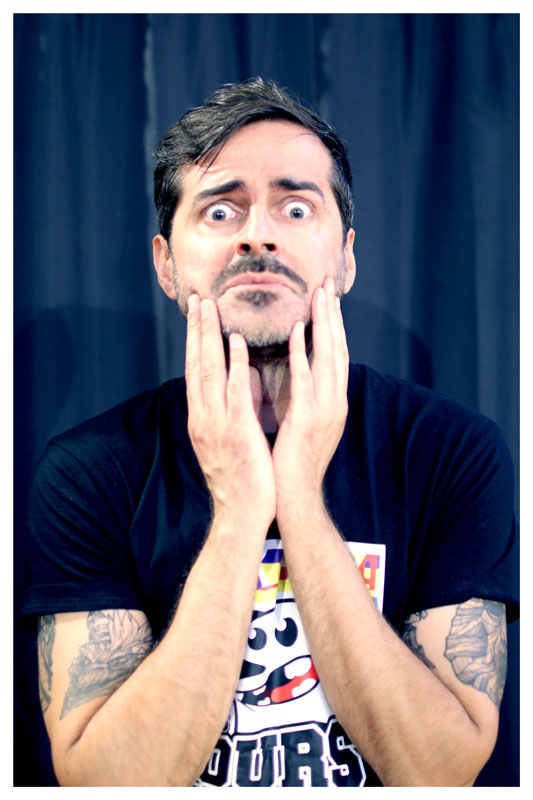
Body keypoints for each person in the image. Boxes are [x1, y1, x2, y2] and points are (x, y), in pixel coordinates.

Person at [21, 77, 518, 787]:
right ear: (166, 265)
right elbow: (107, 784)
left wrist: (301, 497)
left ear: (345, 257)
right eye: (220, 210)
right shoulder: (88, 471)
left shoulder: (452, 452)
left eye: (295, 207)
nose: (257, 234)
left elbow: (439, 774)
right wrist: (237, 511)